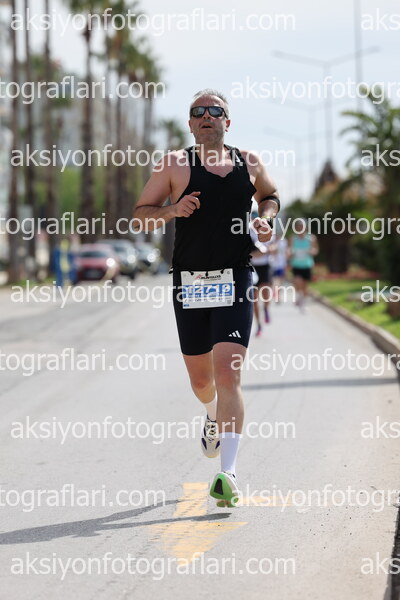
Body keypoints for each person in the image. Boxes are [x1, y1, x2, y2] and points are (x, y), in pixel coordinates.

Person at [133, 89, 280, 507]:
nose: (206, 116)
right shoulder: (173, 165)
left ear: (227, 122)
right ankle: (212, 414)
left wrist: (265, 219)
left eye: (215, 111)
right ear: (191, 123)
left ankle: (228, 473)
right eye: (198, 111)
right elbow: (140, 214)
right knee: (202, 381)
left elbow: (270, 197)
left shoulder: (249, 162)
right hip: (190, 282)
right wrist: (171, 211)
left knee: (229, 374)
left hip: (236, 278)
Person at [249, 216, 273, 337]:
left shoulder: (267, 229)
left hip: (265, 266)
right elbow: (248, 252)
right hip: (253, 267)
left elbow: (273, 247)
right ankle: (258, 324)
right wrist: (256, 254)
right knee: (254, 299)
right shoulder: (247, 232)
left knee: (266, 292)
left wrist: (267, 250)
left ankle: (266, 309)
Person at [288, 219, 319, 310]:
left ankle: (303, 302)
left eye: (302, 226)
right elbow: (289, 249)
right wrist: (290, 253)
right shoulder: (292, 238)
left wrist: (312, 251)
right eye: (298, 226)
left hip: (307, 264)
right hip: (296, 264)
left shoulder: (311, 238)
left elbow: (316, 250)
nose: (300, 228)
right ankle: (299, 295)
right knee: (297, 282)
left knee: (305, 285)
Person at [270, 233, 288, 303]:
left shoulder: (284, 241)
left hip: (281, 264)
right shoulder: (271, 240)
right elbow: (272, 251)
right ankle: (275, 294)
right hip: (272, 265)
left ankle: (277, 295)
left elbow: (286, 253)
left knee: (280, 281)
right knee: (275, 281)